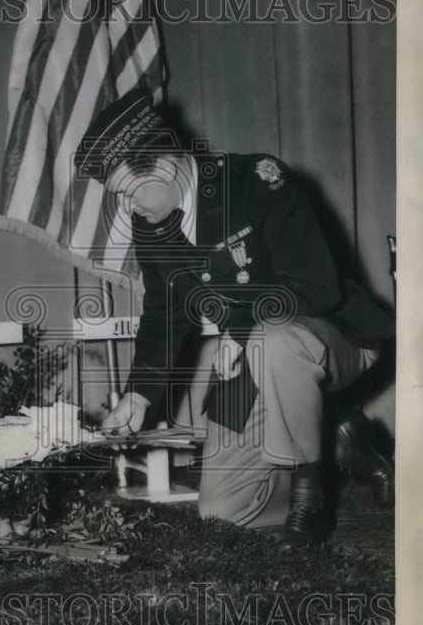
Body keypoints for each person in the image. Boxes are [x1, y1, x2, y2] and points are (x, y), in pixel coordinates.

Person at [75, 88, 395, 547]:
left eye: (128, 191)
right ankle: (339, 440)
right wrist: (139, 396)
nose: (129, 207)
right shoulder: (152, 228)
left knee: (273, 340)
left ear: (164, 164)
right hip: (256, 361)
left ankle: (311, 502)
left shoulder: (255, 181)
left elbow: (316, 286)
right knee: (224, 515)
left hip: (335, 339)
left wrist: (243, 329)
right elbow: (164, 314)